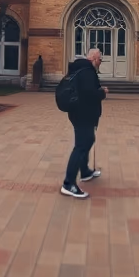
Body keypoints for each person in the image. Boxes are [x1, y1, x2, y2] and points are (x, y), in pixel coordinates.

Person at [61, 48, 108, 199]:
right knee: (81, 145)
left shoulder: (81, 69)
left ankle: (85, 171)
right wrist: (102, 92)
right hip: (83, 114)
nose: (100, 62)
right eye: (100, 59)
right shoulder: (87, 72)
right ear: (93, 58)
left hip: (79, 113)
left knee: (88, 140)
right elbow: (90, 94)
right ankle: (68, 184)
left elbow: (84, 91)